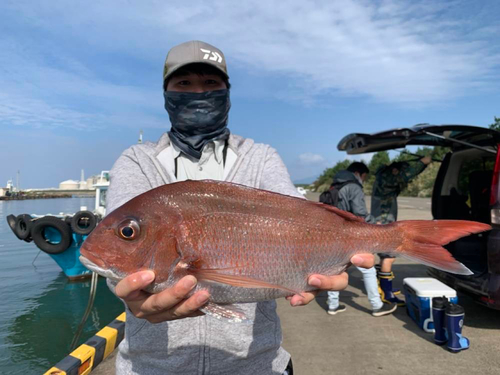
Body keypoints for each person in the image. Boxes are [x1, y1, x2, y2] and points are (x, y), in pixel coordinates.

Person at [106, 40, 374, 375]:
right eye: (184, 84)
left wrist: (335, 250)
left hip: (257, 364)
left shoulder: (260, 157)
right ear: (166, 93)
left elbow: (300, 223)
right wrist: (130, 293)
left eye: (211, 83)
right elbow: (117, 252)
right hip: (152, 368)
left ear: (228, 92)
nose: (198, 92)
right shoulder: (138, 160)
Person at [324, 162, 397, 317]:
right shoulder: (353, 187)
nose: (364, 179)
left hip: (333, 235)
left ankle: (333, 305)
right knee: (368, 269)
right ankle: (377, 305)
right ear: (358, 173)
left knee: (335, 270)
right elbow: (360, 213)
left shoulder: (335, 186)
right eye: (365, 176)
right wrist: (375, 223)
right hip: (350, 236)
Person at [371, 156, 432, 305]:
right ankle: (387, 293)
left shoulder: (383, 175)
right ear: (395, 170)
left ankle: (381, 286)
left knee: (384, 256)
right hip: (384, 222)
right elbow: (408, 174)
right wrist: (423, 162)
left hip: (381, 220)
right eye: (399, 172)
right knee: (389, 256)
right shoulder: (389, 178)